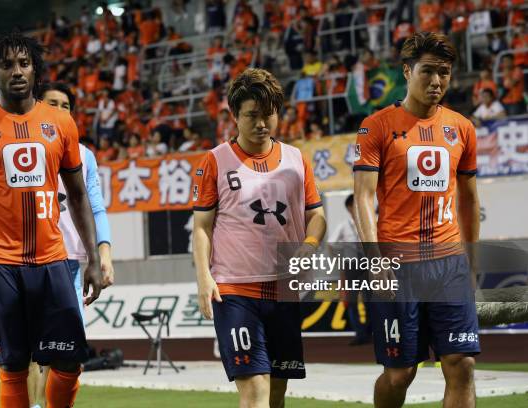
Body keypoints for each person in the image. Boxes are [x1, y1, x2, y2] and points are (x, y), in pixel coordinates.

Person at [0, 32, 102, 408]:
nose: (17, 72)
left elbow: (78, 195)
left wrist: (94, 258)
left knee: (69, 360)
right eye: (7, 64)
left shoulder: (60, 123)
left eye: (24, 63)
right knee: (13, 366)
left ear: (36, 70)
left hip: (51, 261)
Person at [353, 32, 480, 408]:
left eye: (444, 72)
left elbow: (470, 202)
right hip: (397, 266)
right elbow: (362, 197)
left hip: (449, 264)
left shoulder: (462, 128)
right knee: (401, 372)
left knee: (461, 364)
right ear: (407, 72)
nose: (437, 81)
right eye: (427, 71)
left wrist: (471, 262)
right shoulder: (375, 126)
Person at [193, 68, 326, 408]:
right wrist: (203, 277)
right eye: (252, 115)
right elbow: (202, 226)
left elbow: (316, 216)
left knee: (277, 395)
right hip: (236, 291)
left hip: (285, 289)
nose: (262, 123)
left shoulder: (297, 160)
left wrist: (309, 246)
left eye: (268, 114)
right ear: (235, 115)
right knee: (255, 394)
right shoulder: (215, 161)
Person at [26, 81, 115, 408]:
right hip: (29, 260)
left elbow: (95, 206)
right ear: (37, 105)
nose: (60, 111)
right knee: (31, 349)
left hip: (72, 264)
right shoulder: (22, 145)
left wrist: (104, 251)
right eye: (53, 103)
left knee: (65, 352)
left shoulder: (85, 155)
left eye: (66, 106)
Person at [327, 194, 371, 346]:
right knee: (351, 301)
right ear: (349, 208)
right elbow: (331, 244)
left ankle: (371, 331)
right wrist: (340, 260)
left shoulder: (371, 222)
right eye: (352, 206)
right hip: (351, 266)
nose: (355, 209)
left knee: (370, 300)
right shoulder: (344, 225)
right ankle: (360, 333)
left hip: (369, 265)